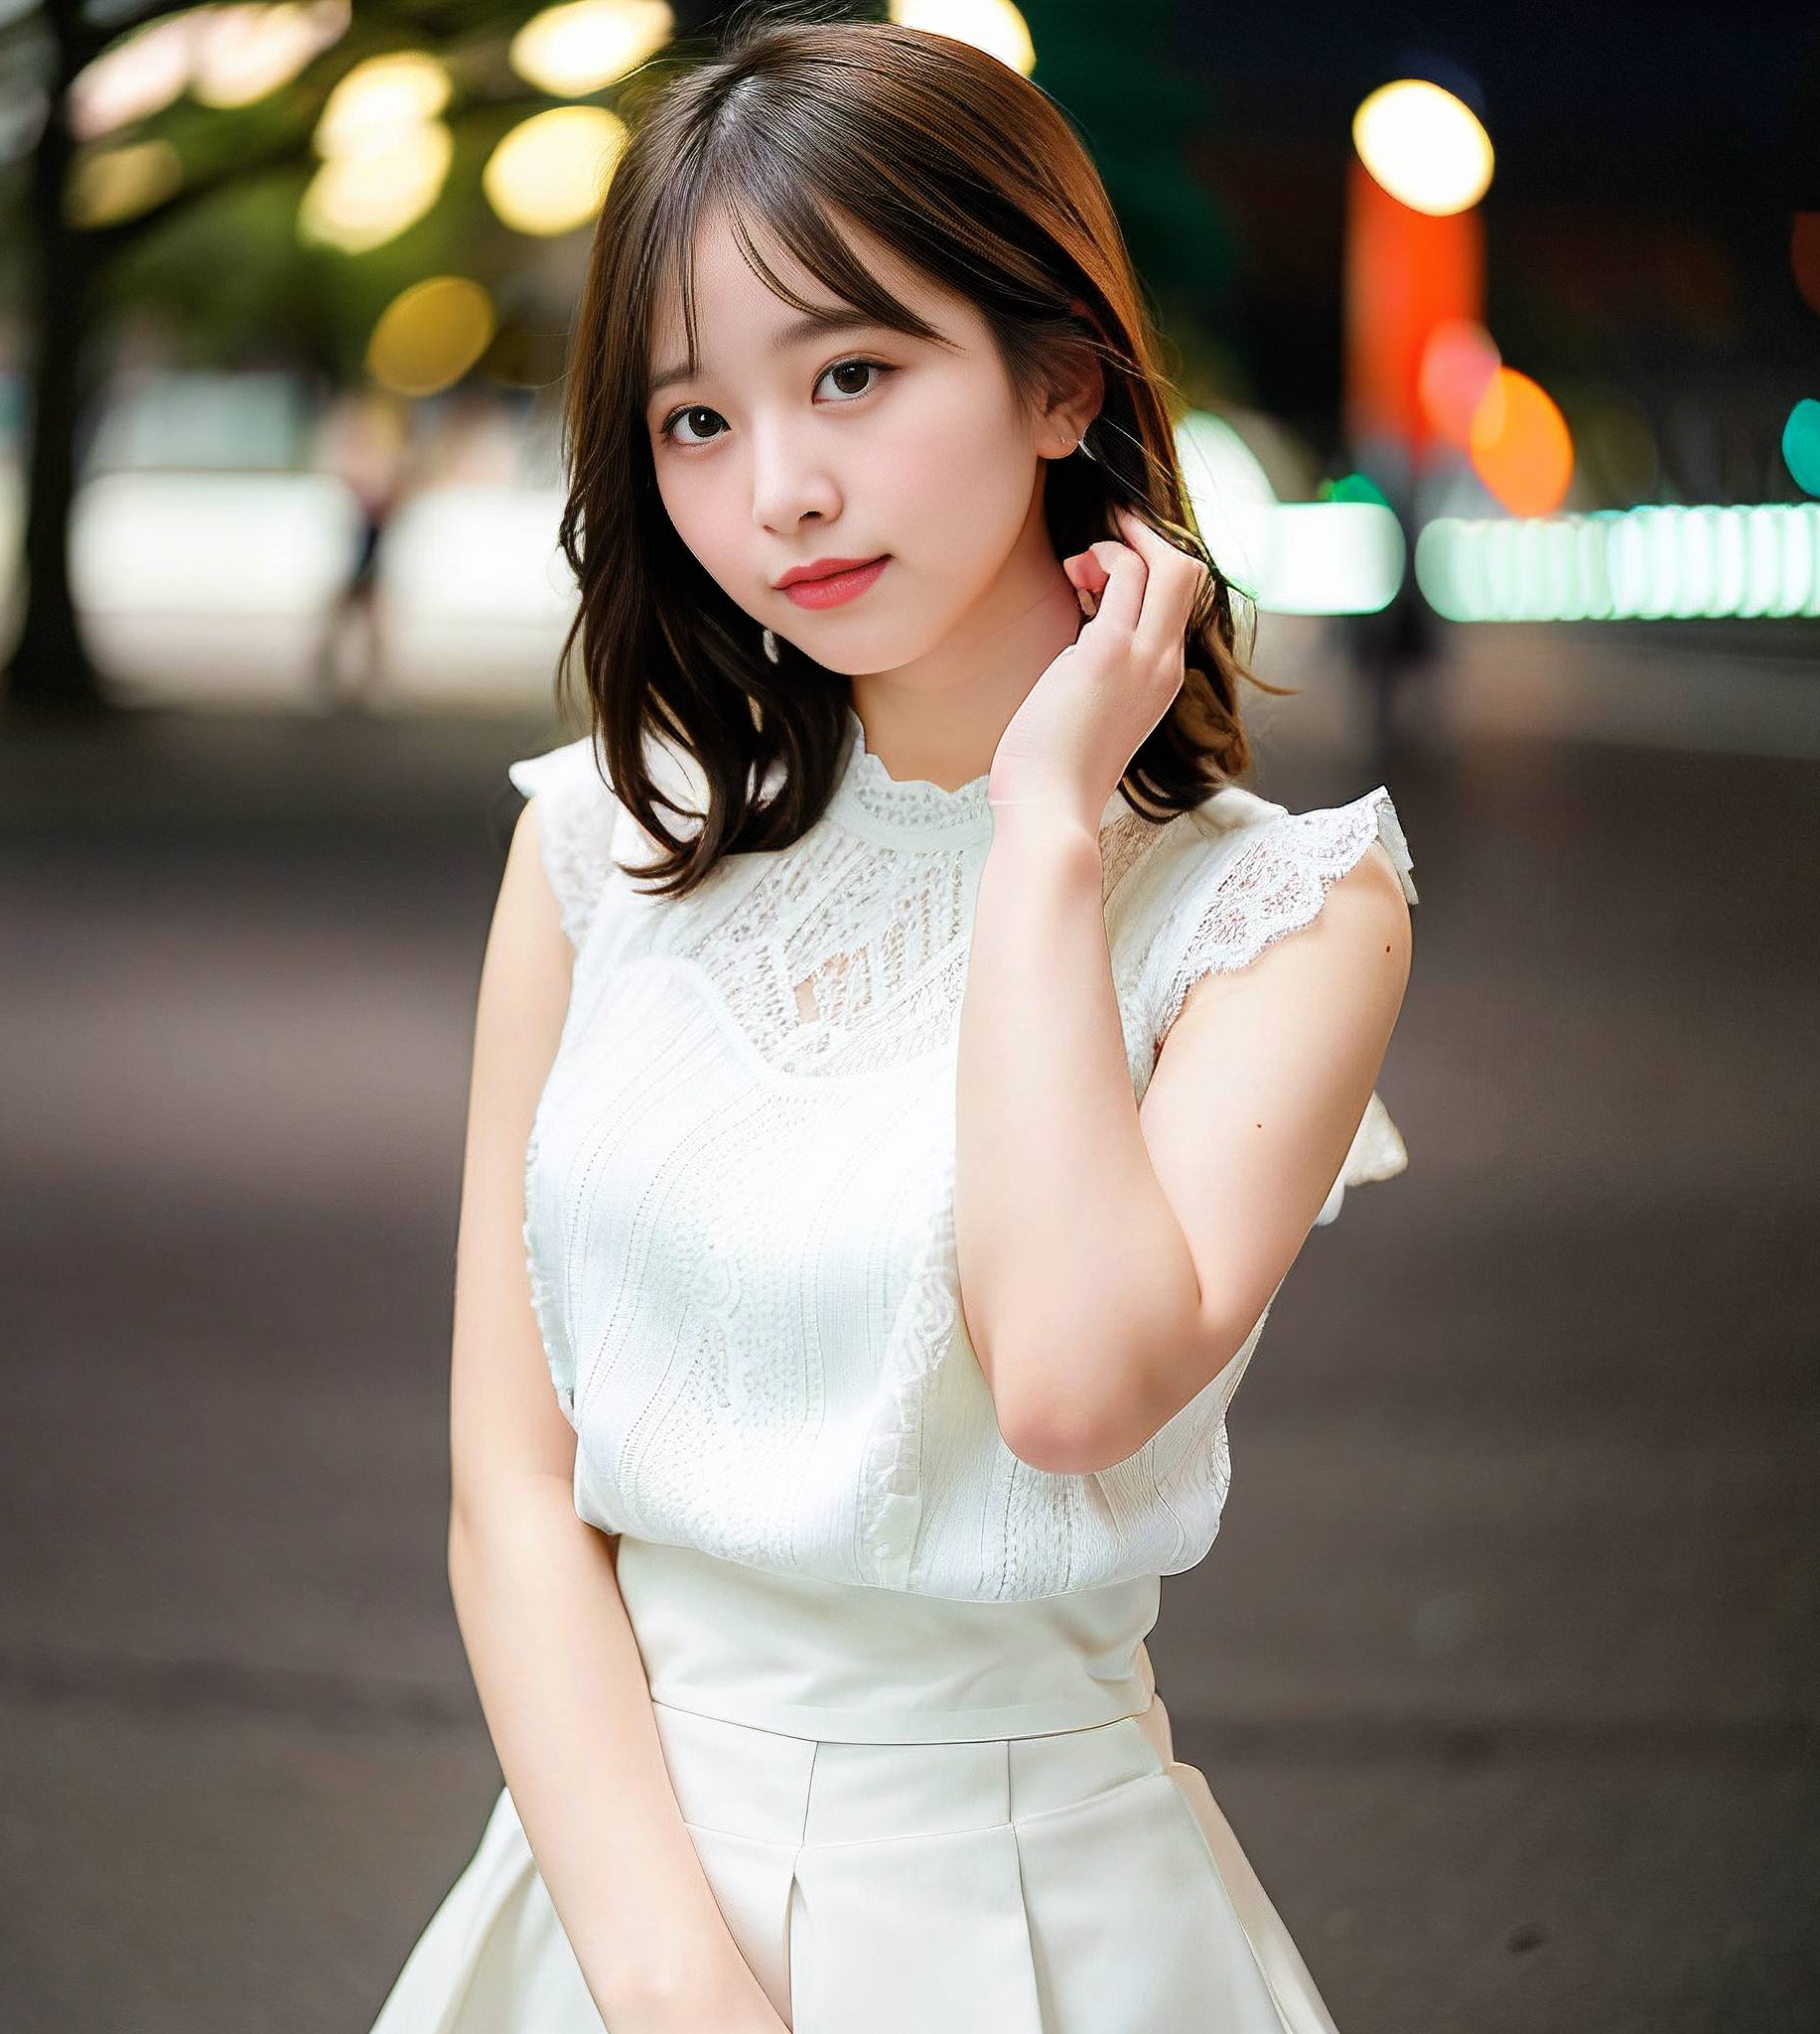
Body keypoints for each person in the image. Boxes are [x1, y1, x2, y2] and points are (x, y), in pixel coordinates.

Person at [367, 16, 1416, 2033]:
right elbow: (511, 1489)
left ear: (1059, 380)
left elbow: (1069, 1388)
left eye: (851, 373)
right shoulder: (601, 844)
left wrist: (1044, 827)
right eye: (695, 419)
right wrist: (673, 1985)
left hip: (1025, 1914)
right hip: (608, 1908)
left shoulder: (1281, 915)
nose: (781, 490)